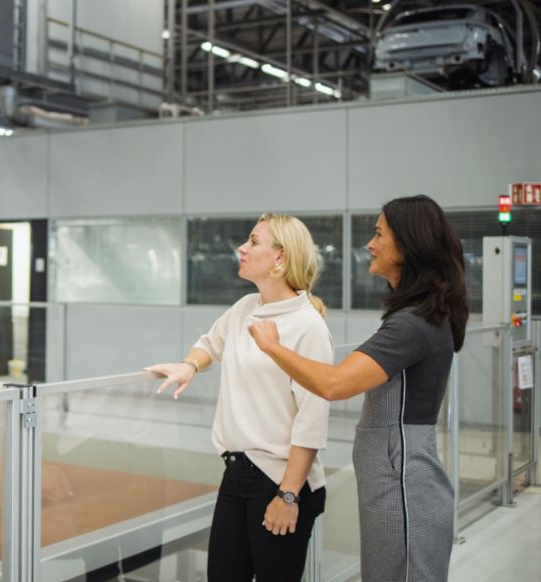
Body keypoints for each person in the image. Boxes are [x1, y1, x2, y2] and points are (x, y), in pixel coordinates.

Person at [247, 195, 467, 582]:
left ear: (408, 245)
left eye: (380, 234)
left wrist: (272, 347)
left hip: (403, 481)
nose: (370, 243)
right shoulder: (417, 315)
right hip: (395, 476)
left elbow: (334, 384)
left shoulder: (414, 323)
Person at [145, 213, 333, 582]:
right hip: (237, 471)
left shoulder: (308, 326)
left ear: (280, 258)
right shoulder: (246, 308)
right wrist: (189, 366)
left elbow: (311, 421)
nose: (241, 249)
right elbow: (209, 345)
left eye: (253, 241)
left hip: (282, 481)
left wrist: (288, 497)